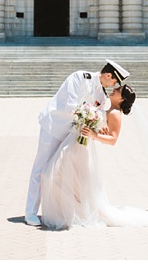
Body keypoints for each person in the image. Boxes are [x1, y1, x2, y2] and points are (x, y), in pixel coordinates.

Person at [39, 84, 148, 229]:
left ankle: (75, 213)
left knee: (53, 175)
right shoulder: (109, 109)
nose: (113, 90)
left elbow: (113, 139)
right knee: (68, 180)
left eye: (117, 91)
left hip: (82, 147)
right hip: (77, 144)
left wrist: (94, 135)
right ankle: (72, 212)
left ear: (121, 98)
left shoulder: (115, 113)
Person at [24, 59, 129, 227]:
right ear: (108, 75)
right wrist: (88, 117)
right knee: (41, 168)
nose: (112, 85)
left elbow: (99, 114)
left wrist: (99, 126)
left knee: (60, 173)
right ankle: (30, 212)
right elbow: (70, 106)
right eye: (114, 81)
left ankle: (59, 210)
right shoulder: (80, 78)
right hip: (54, 126)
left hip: (71, 134)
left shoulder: (102, 95)